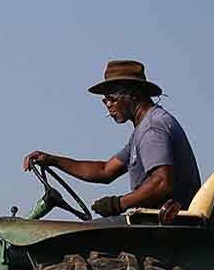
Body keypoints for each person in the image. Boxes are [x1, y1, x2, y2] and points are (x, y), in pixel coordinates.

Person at [22, 60, 201, 221]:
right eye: (105, 100)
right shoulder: (143, 129)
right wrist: (52, 160)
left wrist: (119, 204)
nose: (108, 105)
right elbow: (105, 170)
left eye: (112, 98)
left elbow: (162, 183)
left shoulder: (152, 129)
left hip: (167, 226)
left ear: (134, 93)